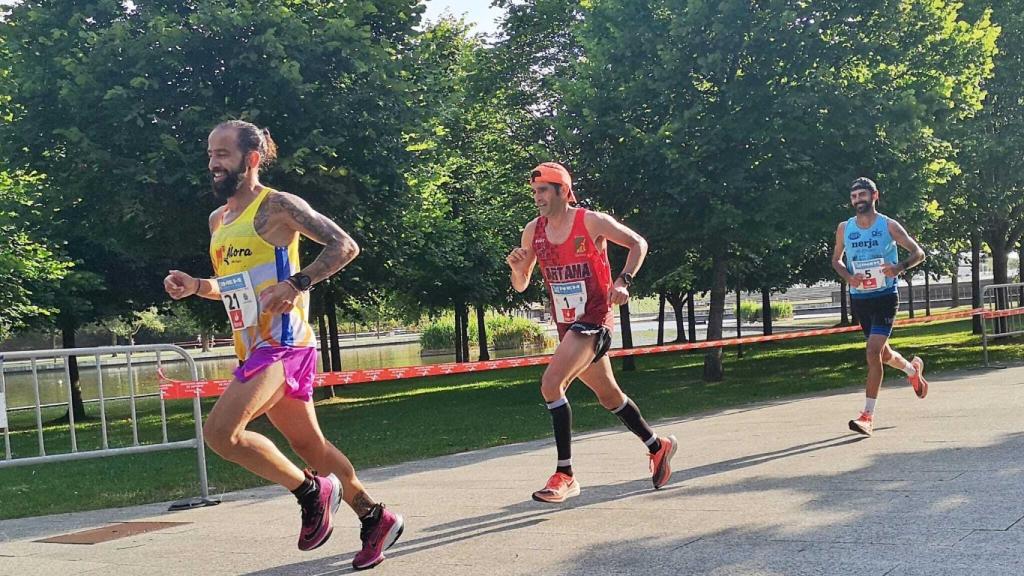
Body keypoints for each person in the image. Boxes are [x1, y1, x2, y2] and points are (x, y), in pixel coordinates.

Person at [164, 120, 402, 570]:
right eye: (210, 155)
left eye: (222, 155)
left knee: (221, 434)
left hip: (284, 345)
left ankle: (311, 491)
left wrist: (298, 282)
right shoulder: (219, 220)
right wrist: (196, 285)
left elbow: (344, 246)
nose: (213, 164)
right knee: (312, 448)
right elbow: (235, 285)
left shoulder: (277, 207)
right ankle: (375, 516)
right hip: (251, 345)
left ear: (251, 159)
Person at [506, 162, 677, 503]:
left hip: (596, 320)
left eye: (543, 191)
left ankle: (565, 475)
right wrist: (516, 267)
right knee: (609, 397)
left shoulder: (590, 221)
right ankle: (658, 446)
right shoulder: (533, 232)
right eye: (534, 192)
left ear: (563, 191)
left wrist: (623, 281)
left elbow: (637, 244)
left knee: (551, 383)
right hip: (569, 327)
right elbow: (522, 284)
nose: (537, 198)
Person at [831, 177, 929, 437]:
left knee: (872, 351)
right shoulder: (844, 228)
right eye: (854, 197)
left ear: (875, 196)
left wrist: (897, 268)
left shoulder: (888, 225)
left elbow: (918, 253)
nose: (857, 200)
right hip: (860, 298)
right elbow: (836, 260)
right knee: (883, 354)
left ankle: (867, 416)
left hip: (885, 296)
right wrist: (848, 277)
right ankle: (912, 370)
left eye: (862, 195)